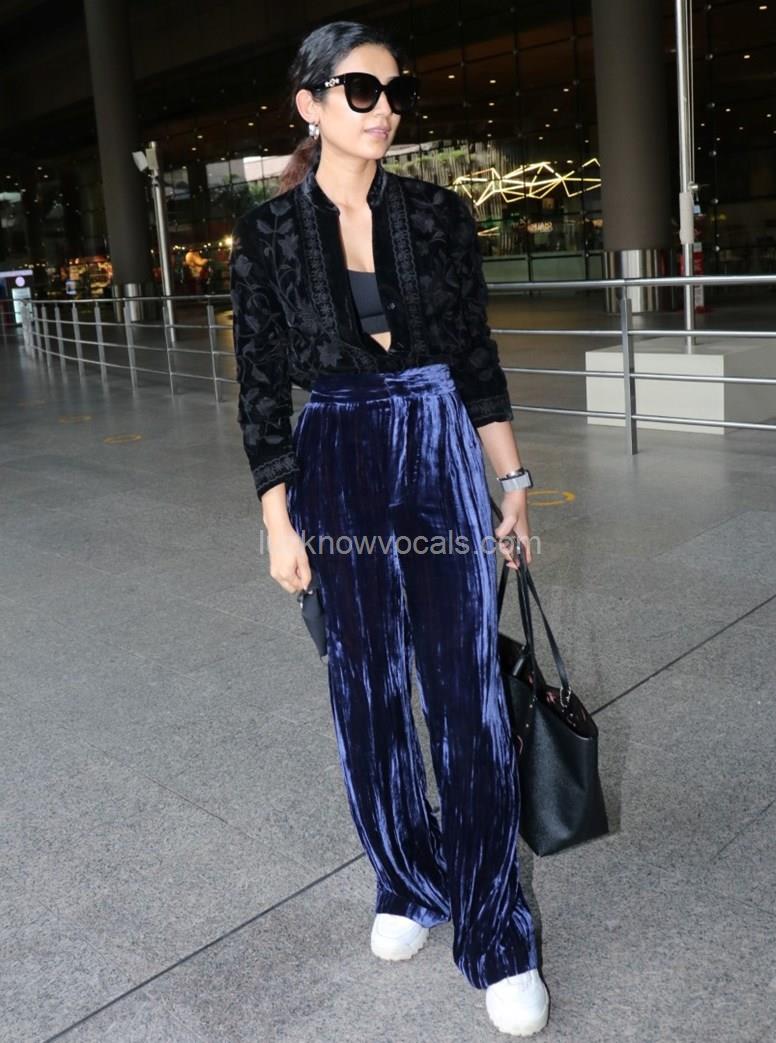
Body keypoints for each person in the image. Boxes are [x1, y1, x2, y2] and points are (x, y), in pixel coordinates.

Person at [229, 20, 550, 1037]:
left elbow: (475, 355)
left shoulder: (438, 214)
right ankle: (408, 878)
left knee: (466, 695)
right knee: (363, 690)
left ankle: (496, 930)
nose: (384, 109)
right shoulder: (267, 235)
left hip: (439, 443)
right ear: (310, 104)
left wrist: (511, 480)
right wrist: (277, 519)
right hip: (336, 457)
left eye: (395, 91)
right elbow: (257, 390)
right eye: (360, 91)